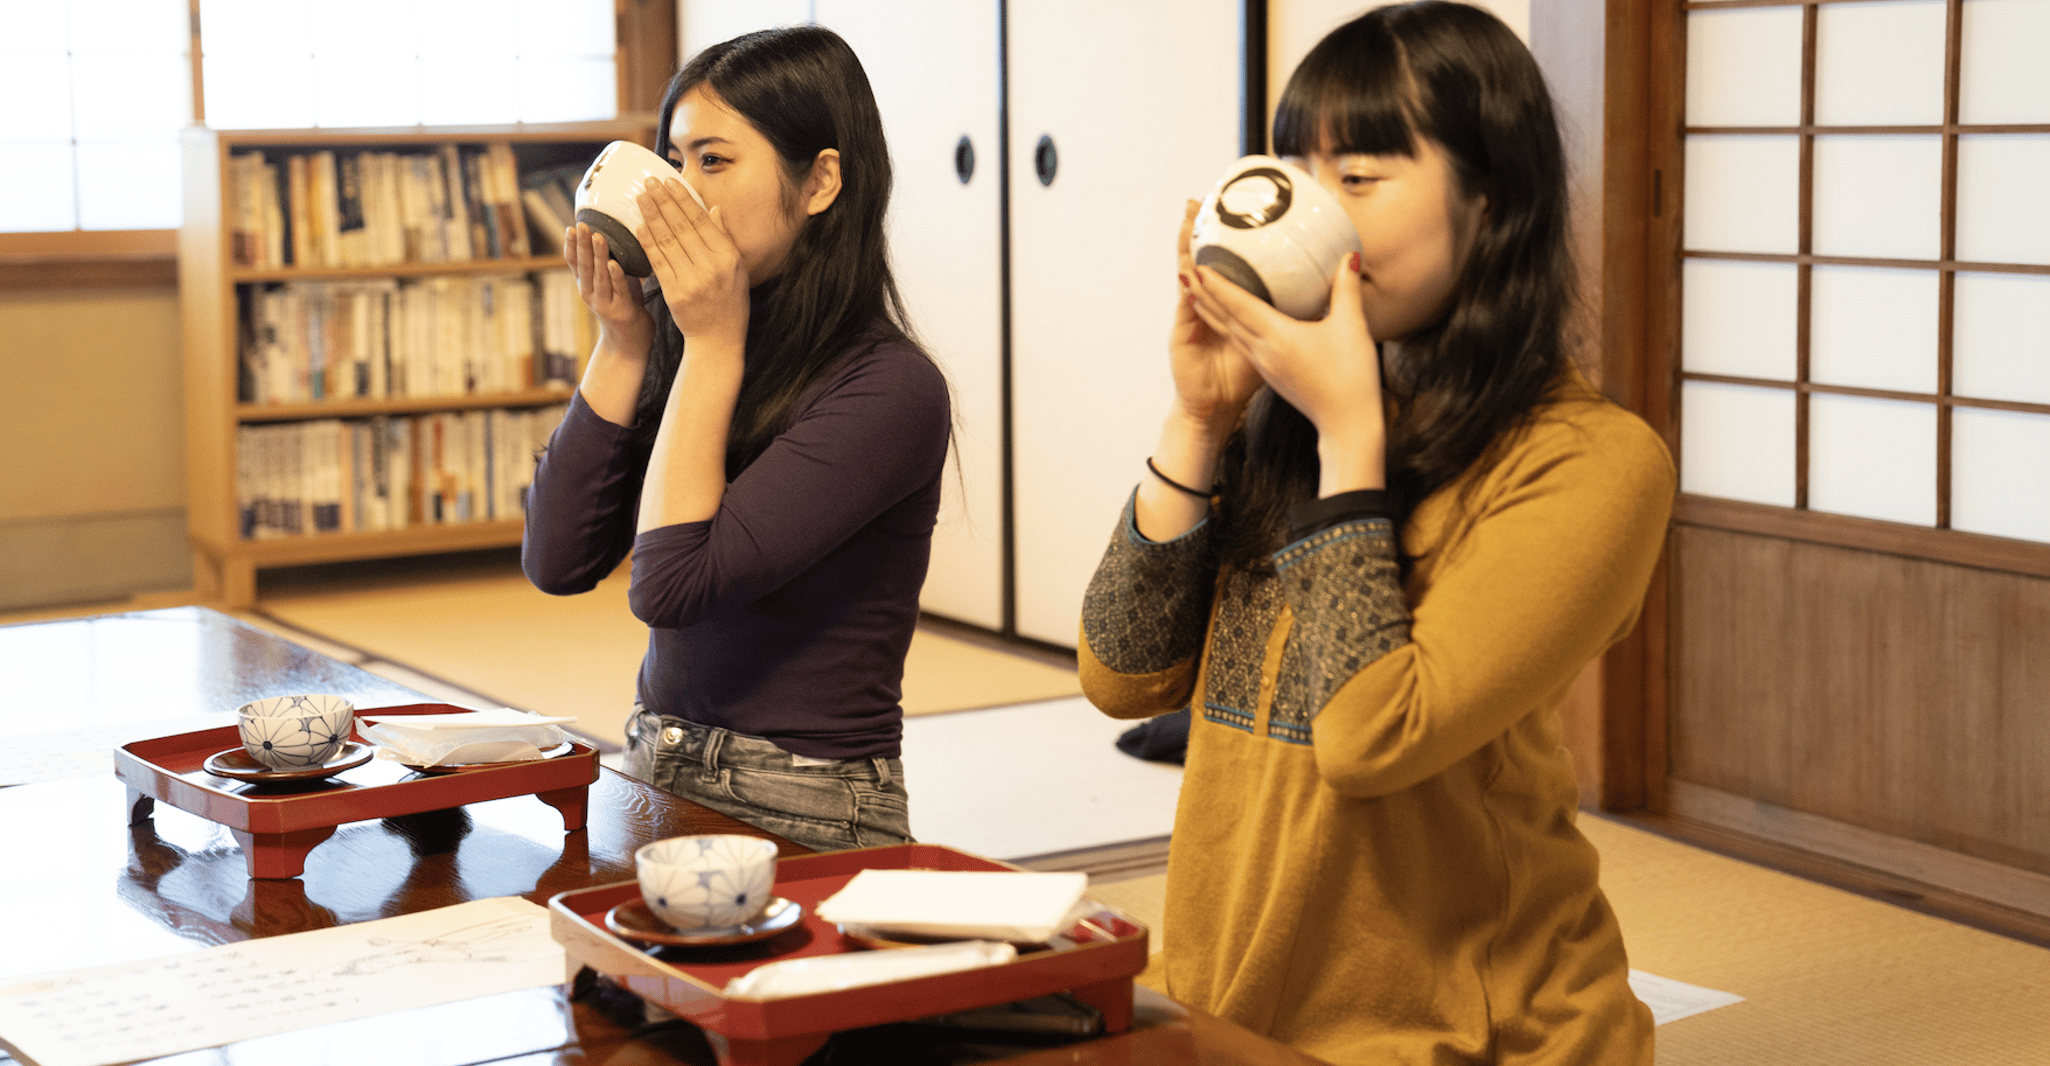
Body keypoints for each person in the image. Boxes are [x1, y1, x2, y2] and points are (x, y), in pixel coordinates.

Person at [1077, 3, 1673, 1063]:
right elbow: (1122, 677)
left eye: (1356, 178)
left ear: (1488, 199)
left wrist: (1350, 432)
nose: (1314, 211)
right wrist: (1201, 416)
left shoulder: (1588, 460)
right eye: (1297, 175)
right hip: (1224, 999)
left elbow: (1369, 739)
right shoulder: (1281, 419)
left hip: (1465, 1031)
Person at [522, 26, 950, 854]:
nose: (677, 193)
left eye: (712, 161)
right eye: (673, 160)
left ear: (820, 181)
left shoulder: (889, 388)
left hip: (808, 796)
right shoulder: (693, 349)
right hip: (652, 760)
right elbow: (558, 559)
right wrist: (624, 343)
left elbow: (670, 589)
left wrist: (712, 344)